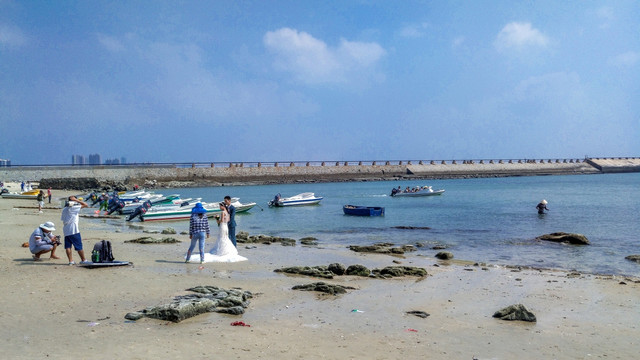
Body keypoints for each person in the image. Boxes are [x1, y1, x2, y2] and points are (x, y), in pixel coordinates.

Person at [61, 196, 90, 265]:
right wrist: (77, 200)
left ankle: (71, 261)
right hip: (73, 229)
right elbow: (86, 205)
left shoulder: (64, 209)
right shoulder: (73, 208)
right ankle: (83, 260)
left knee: (68, 246)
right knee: (78, 245)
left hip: (66, 229)